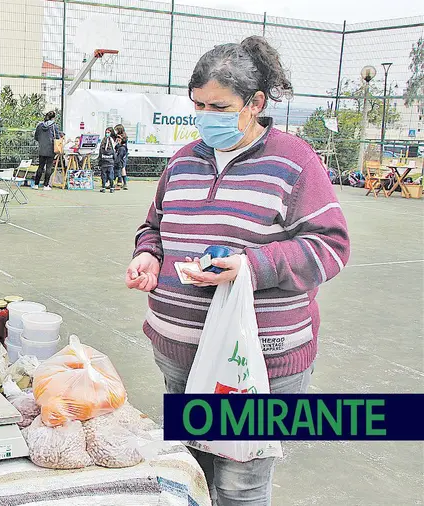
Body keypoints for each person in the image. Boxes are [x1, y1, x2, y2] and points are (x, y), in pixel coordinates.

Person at [125, 36, 350, 505]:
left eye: (220, 106)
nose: (206, 116)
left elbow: (330, 246)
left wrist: (250, 265)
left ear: (255, 103)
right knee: (193, 475)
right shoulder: (183, 160)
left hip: (257, 361)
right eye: (199, 105)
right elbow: (155, 226)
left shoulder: (294, 162)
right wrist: (149, 255)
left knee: (240, 485)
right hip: (181, 354)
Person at [34, 111, 61, 190]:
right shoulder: (54, 126)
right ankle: (46, 185)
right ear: (53, 118)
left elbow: (36, 137)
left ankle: (36, 184)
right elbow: (57, 138)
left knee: (40, 167)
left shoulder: (39, 126)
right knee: (48, 167)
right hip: (51, 149)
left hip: (42, 148)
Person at [97, 127, 117, 193]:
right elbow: (114, 153)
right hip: (110, 162)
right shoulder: (112, 141)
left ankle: (104, 187)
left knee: (104, 176)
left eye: (108, 132)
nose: (107, 134)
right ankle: (111, 188)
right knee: (110, 175)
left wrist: (99, 162)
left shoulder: (105, 141)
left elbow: (100, 152)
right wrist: (114, 160)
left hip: (104, 162)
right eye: (106, 132)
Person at [113, 125, 128, 190]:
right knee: (122, 168)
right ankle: (122, 183)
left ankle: (122, 183)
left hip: (121, 154)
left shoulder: (122, 137)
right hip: (123, 154)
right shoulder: (123, 136)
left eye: (116, 130)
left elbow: (120, 145)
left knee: (121, 168)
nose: (115, 131)